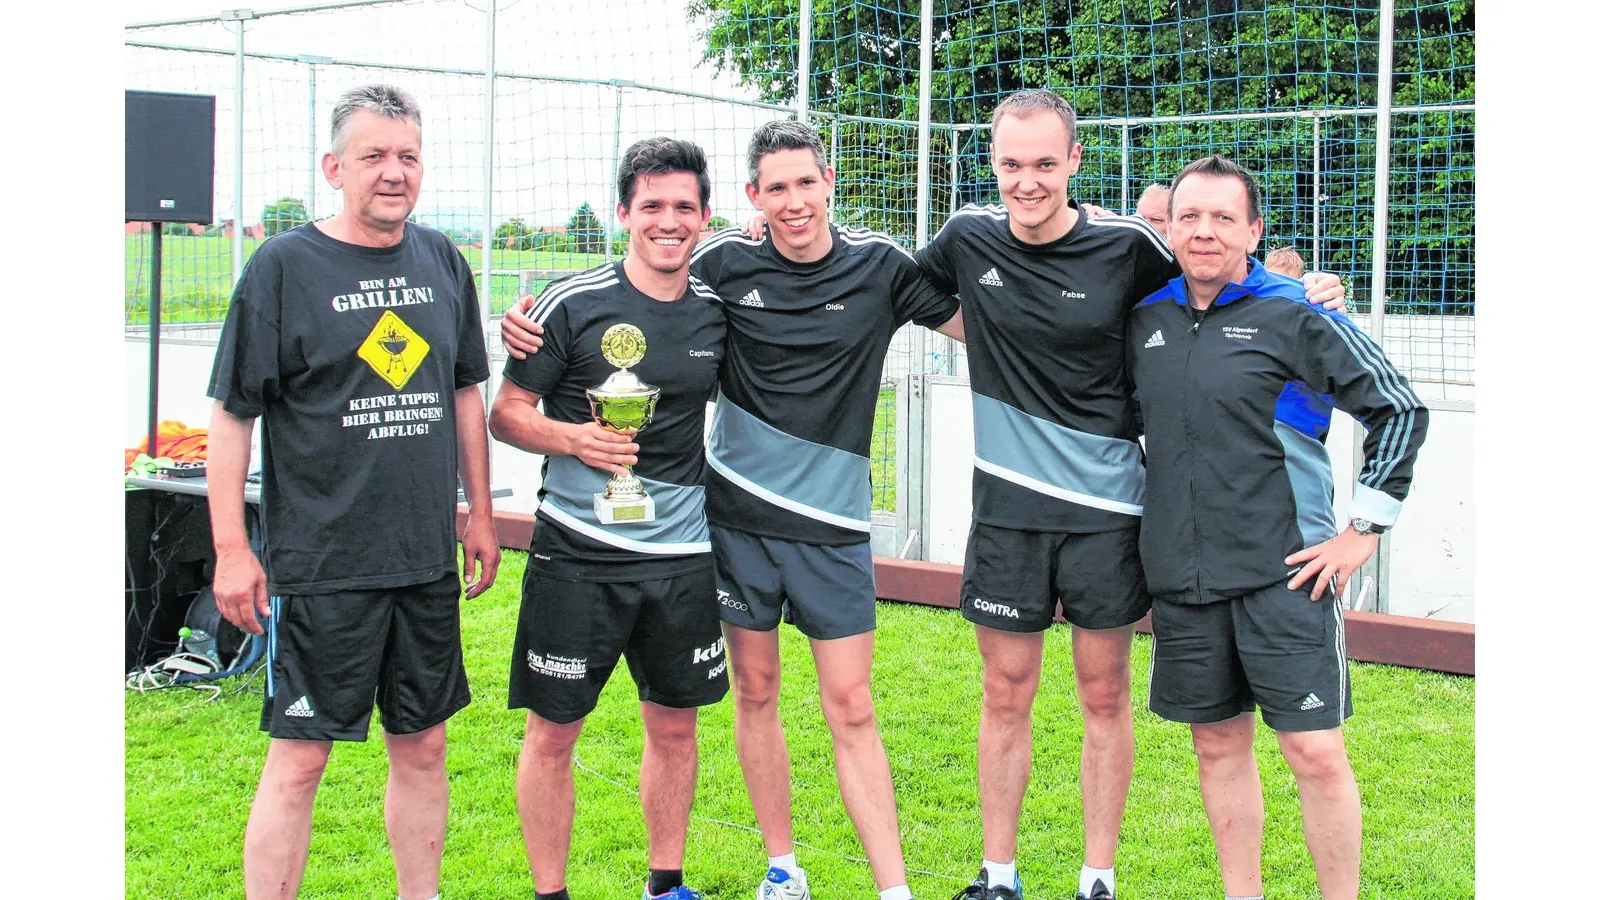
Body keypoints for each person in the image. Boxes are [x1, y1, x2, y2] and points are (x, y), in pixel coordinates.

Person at [501, 119, 964, 900]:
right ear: (752, 198)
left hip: (816, 531)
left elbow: (981, 329)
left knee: (840, 706)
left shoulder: (868, 267)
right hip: (720, 528)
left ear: (828, 183)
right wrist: (549, 368)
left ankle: (891, 889)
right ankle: (781, 869)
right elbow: (540, 377)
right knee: (739, 696)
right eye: (775, 188)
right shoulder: (703, 269)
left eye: (804, 183)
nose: (792, 202)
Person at [911, 91, 1349, 900]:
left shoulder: (1130, 245)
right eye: (1011, 165)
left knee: (1102, 694)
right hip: (1008, 509)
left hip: (1111, 514)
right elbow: (893, 286)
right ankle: (998, 874)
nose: (1027, 181)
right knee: (1004, 692)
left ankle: (1097, 877)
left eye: (1045, 164)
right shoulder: (966, 237)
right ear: (993, 164)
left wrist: (1308, 290)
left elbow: (1219, 277)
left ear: (1075, 161)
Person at [206, 83, 500, 900]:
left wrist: (477, 511)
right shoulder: (283, 268)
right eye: (374, 156)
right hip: (323, 563)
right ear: (334, 168)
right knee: (300, 761)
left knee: (425, 747)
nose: (393, 172)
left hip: (421, 559)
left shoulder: (442, 259)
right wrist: (233, 550)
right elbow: (232, 418)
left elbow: (464, 391)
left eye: (407, 156)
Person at [1126, 154, 1428, 900]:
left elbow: (1399, 407)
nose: (1203, 232)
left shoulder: (1297, 311)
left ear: (1253, 230)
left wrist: (1364, 529)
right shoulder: (1144, 318)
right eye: (1187, 216)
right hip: (1186, 577)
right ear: (1166, 227)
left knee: (1315, 753)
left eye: (1223, 218)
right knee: (1217, 746)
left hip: (1288, 572)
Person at [489, 137, 727, 900]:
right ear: (623, 213)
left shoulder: (716, 313)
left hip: (683, 553)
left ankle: (666, 884)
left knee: (676, 726)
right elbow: (506, 413)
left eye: (683, 207)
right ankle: (550, 894)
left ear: (705, 216)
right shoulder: (569, 304)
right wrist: (573, 438)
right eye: (651, 205)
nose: (668, 221)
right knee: (554, 732)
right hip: (580, 553)